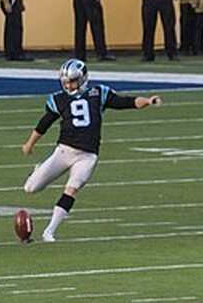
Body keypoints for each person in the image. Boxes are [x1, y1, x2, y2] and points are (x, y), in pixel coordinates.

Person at [22, 59, 163, 242]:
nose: (68, 85)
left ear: (82, 78)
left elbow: (125, 102)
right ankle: (38, 172)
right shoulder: (60, 98)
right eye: (65, 81)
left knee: (71, 189)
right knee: (31, 188)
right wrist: (29, 144)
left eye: (72, 81)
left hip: (87, 155)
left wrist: (148, 101)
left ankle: (49, 231)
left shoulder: (98, 93)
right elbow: (45, 123)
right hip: (64, 151)